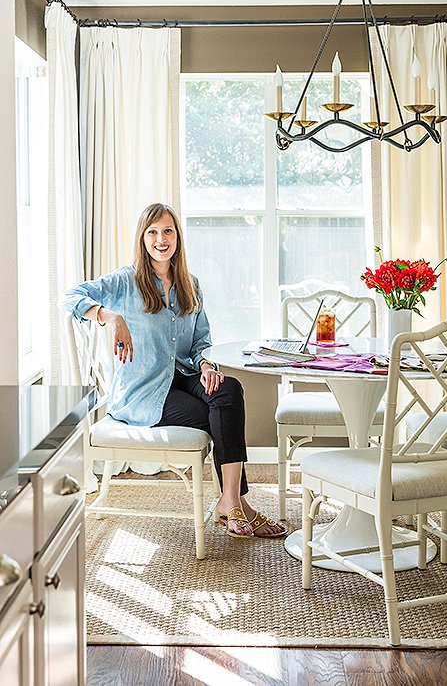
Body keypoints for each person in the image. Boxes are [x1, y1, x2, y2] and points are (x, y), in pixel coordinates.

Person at [60, 202, 286, 539]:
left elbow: (200, 342)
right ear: (143, 238)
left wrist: (207, 365)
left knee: (229, 388)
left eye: (167, 231)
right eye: (152, 232)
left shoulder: (190, 284)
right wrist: (111, 316)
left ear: (177, 237)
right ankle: (237, 504)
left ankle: (229, 500)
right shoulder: (125, 281)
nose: (160, 239)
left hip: (182, 377)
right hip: (144, 393)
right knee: (219, 412)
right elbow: (69, 297)